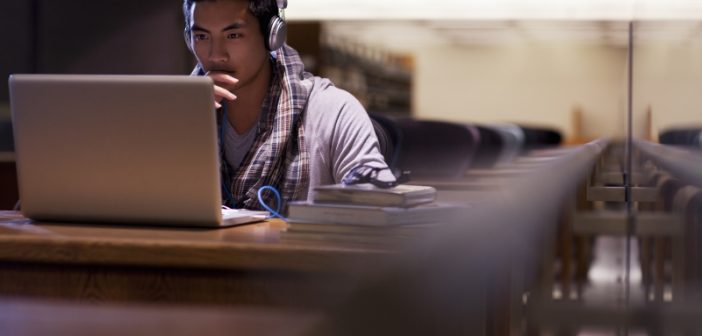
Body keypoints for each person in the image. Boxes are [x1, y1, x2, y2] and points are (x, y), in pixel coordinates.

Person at [182, 0, 393, 210]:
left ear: (271, 36)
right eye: (201, 36)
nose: (216, 55)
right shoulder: (178, 114)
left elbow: (380, 208)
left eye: (233, 35)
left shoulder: (333, 111)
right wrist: (182, 125)